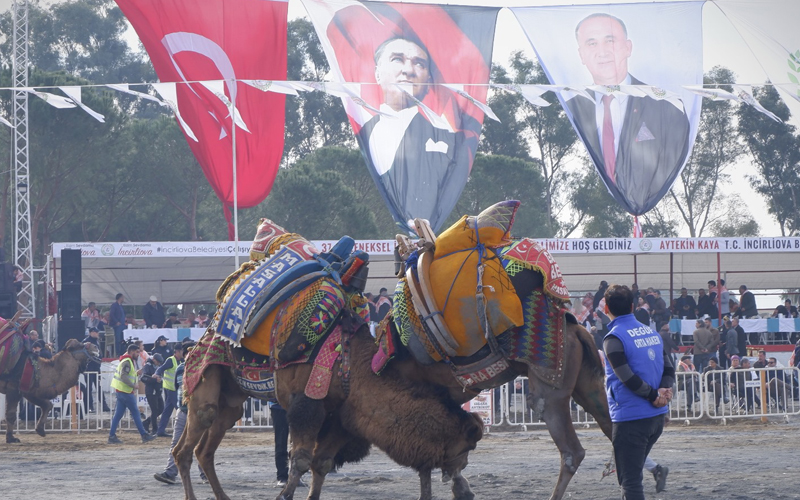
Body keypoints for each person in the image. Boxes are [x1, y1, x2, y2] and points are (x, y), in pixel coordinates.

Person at [568, 13, 690, 211]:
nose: (602, 51)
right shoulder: (571, 110)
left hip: (664, 215)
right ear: (581, 54)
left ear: (628, 48)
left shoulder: (666, 105)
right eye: (592, 43)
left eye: (610, 40)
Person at [357, 36, 479, 229]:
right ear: (377, 73)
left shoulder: (452, 141)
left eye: (419, 64)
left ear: (429, 80)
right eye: (397, 59)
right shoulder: (360, 135)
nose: (408, 70)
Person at [601, 284, 674, 500]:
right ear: (633, 306)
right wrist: (663, 393)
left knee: (630, 482)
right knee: (631, 477)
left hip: (631, 418)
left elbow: (627, 378)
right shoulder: (652, 333)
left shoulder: (613, 339)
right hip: (656, 419)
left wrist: (654, 396)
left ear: (606, 308)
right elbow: (669, 369)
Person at [154, 355, 207, 485]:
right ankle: (202, 474)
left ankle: (172, 473)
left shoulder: (185, 368)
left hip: (188, 411)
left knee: (188, 443)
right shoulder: (200, 368)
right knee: (193, 444)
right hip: (190, 411)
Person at [108, 344, 156, 444]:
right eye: (137, 352)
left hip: (121, 391)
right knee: (136, 414)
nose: (138, 354)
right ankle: (144, 435)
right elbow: (124, 376)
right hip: (126, 392)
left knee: (118, 415)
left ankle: (111, 436)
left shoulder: (126, 360)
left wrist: (135, 373)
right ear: (132, 351)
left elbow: (126, 374)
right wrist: (133, 385)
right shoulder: (127, 362)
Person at [153, 343, 185, 437]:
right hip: (171, 389)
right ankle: (184, 430)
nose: (183, 353)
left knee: (167, 411)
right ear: (177, 351)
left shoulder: (180, 361)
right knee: (181, 410)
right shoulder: (170, 360)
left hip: (175, 389)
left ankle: (160, 430)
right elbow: (161, 368)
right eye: (182, 351)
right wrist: (157, 374)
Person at [141, 353, 164, 434]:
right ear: (154, 360)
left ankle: (146, 422)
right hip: (151, 391)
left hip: (157, 391)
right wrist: (154, 380)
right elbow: (143, 378)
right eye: (158, 362)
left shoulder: (157, 366)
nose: (159, 363)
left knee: (161, 408)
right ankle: (155, 429)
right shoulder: (148, 366)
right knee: (154, 410)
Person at [81, 327, 102, 412]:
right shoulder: (86, 342)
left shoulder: (96, 341)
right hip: (89, 368)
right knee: (89, 388)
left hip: (96, 367)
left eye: (97, 332)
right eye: (95, 332)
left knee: (99, 387)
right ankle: (89, 406)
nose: (97, 333)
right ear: (90, 332)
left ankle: (103, 405)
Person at [270, 400, 290, 487]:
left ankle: (295, 475)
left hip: (296, 405)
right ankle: (282, 477)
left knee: (298, 444)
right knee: (281, 443)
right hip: (278, 406)